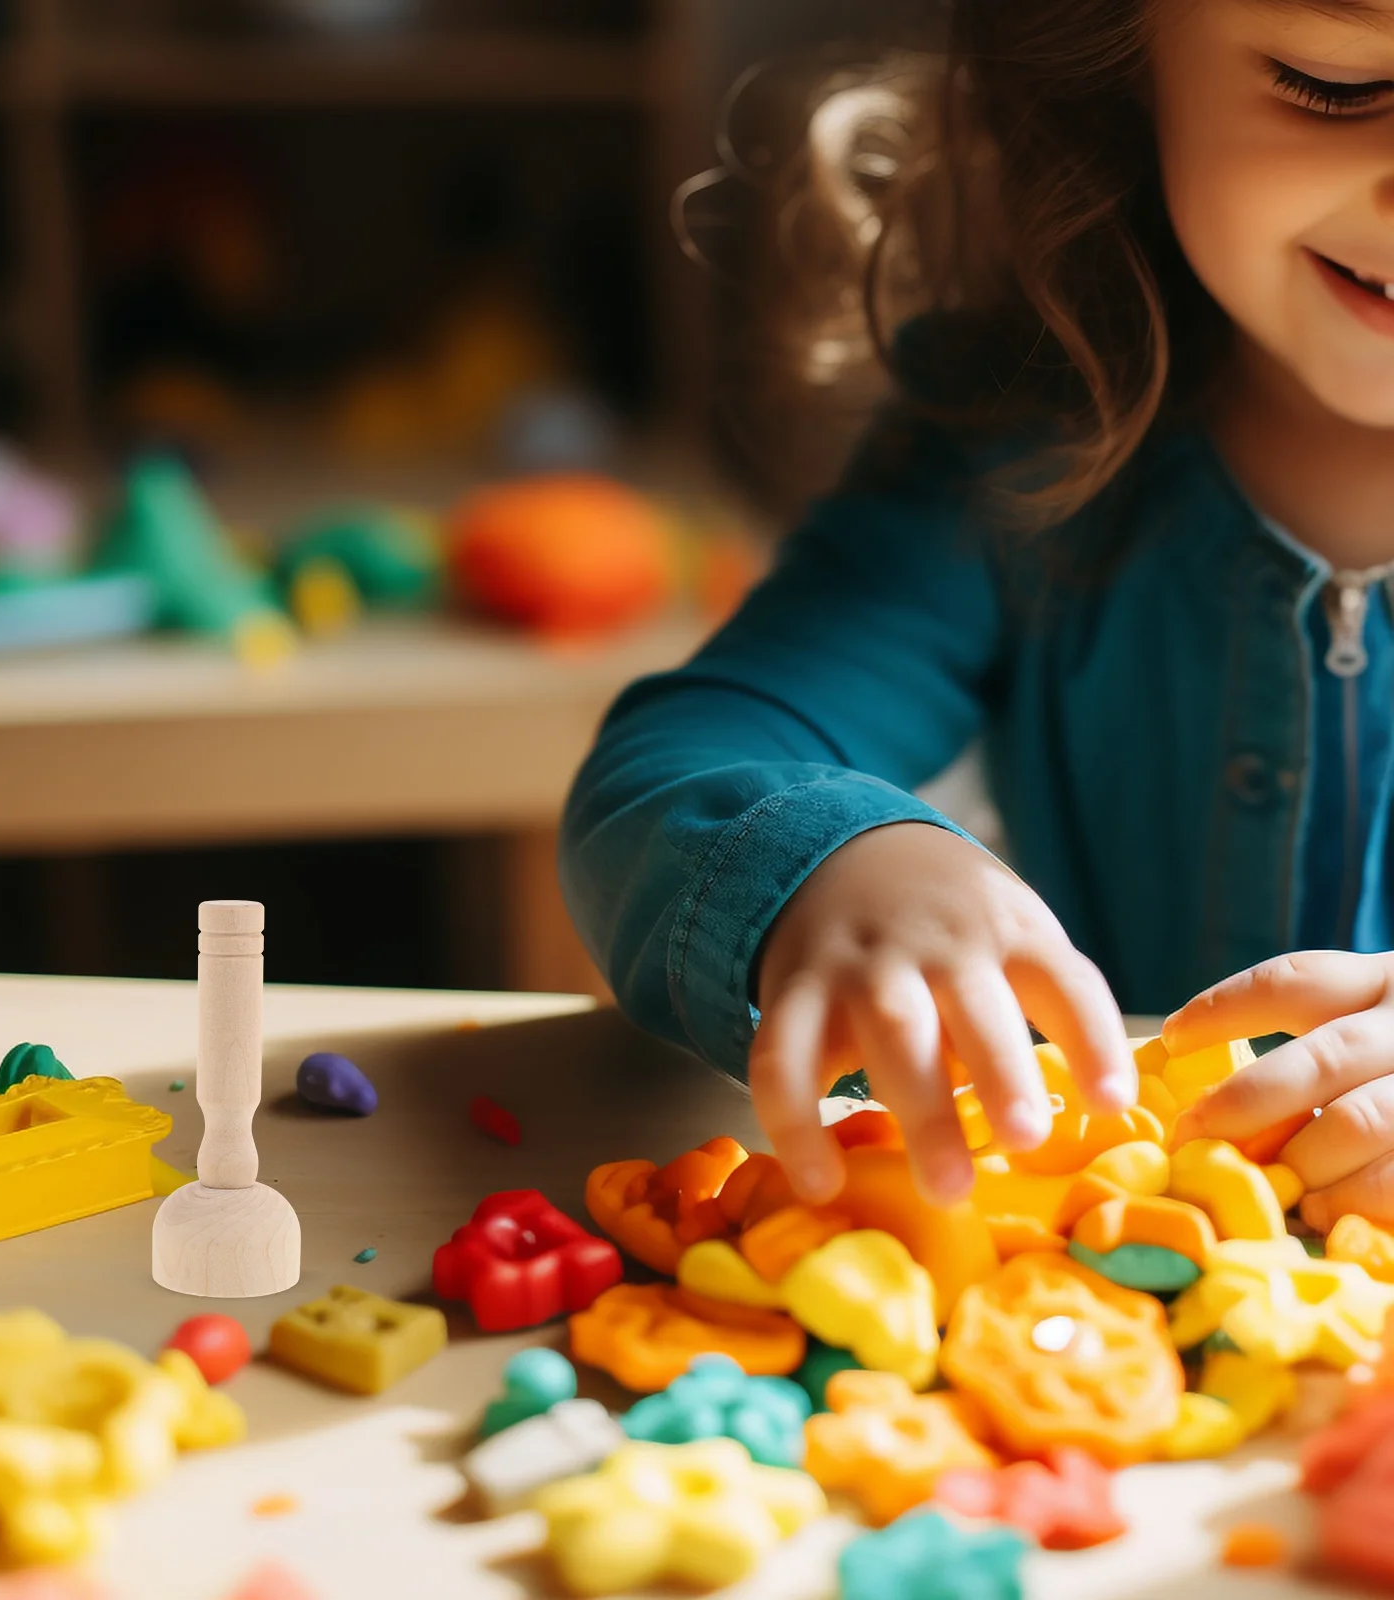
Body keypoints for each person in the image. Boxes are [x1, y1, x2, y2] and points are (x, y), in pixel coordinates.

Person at [560, 0, 1394, 1230]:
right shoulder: (1010, 450)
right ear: (1118, 59)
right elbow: (673, 768)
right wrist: (830, 861)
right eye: (1332, 84)